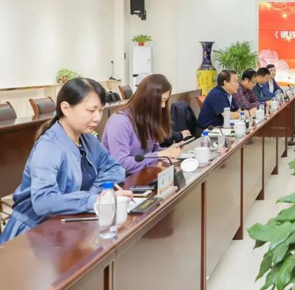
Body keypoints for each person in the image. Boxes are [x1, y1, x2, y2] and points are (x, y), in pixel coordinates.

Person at [0, 78, 129, 244]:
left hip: (69, 225)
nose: (97, 118)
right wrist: (96, 200)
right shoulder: (49, 147)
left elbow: (116, 170)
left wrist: (96, 193)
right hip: (33, 235)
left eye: (101, 110)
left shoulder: (88, 139)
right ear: (66, 108)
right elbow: (43, 201)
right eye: (91, 110)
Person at [102, 74, 183, 175]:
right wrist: (160, 154)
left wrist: (168, 151)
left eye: (165, 101)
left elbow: (152, 149)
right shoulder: (119, 122)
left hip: (141, 174)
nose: (163, 106)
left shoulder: (147, 118)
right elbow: (121, 164)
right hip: (119, 180)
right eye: (161, 101)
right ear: (147, 99)